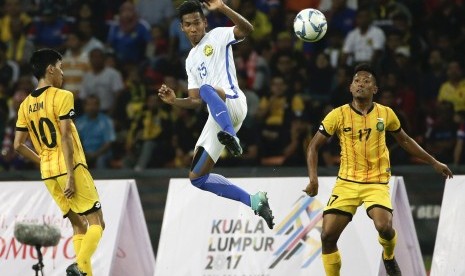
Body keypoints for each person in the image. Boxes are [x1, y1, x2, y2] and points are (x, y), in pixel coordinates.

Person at [303, 63, 453, 276]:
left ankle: (389, 256)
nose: (360, 84)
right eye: (357, 81)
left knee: (384, 227)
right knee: (327, 236)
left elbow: (405, 141)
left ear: (375, 89)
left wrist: (433, 162)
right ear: (350, 87)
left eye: (366, 81)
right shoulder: (337, 115)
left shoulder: (386, 113)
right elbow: (313, 147)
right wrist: (313, 179)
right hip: (346, 182)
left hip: (377, 181)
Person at [158, 0, 274, 229]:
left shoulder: (219, 35)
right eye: (188, 25)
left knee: (206, 89)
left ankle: (232, 137)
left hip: (233, 103)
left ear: (205, 22)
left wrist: (222, 7)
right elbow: (195, 101)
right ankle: (254, 201)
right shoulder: (190, 60)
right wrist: (174, 101)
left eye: (197, 23)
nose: (194, 29)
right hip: (217, 116)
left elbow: (248, 29)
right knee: (197, 178)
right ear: (182, 27)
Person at [14, 49, 105, 276]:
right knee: (97, 223)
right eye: (60, 67)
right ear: (50, 69)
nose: (63, 73)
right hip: (70, 167)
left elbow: (17, 145)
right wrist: (71, 177)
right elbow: (64, 136)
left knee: (78, 225)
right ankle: (80, 265)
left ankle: (85, 273)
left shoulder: (24, 105)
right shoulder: (63, 96)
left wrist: (43, 161)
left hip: (48, 173)